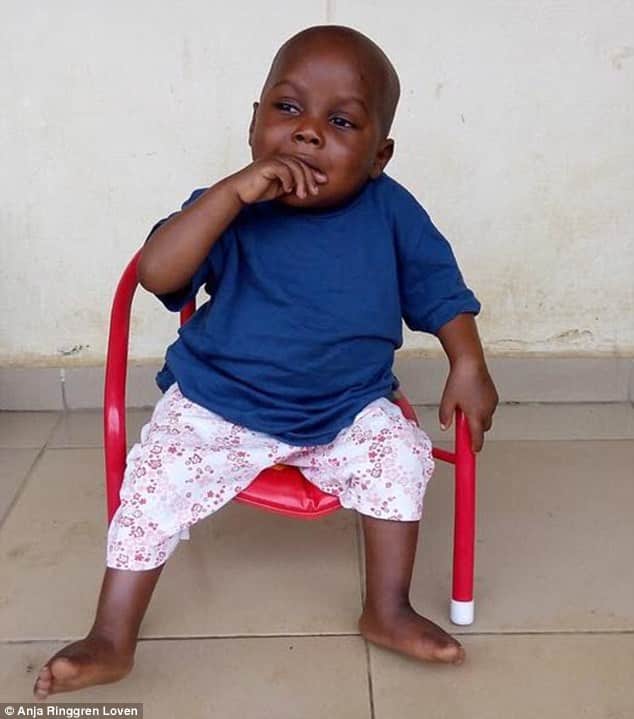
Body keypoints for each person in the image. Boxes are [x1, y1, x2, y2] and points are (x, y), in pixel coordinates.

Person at [34, 24, 498, 700]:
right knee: (156, 476)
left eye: (342, 121)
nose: (308, 131)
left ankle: (387, 608)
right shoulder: (229, 205)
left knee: (399, 455)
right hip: (219, 402)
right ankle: (111, 636)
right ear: (254, 123)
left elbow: (440, 290)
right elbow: (158, 273)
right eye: (288, 108)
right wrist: (229, 196)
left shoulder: (392, 211)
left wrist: (468, 362)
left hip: (346, 406)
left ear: (379, 155)